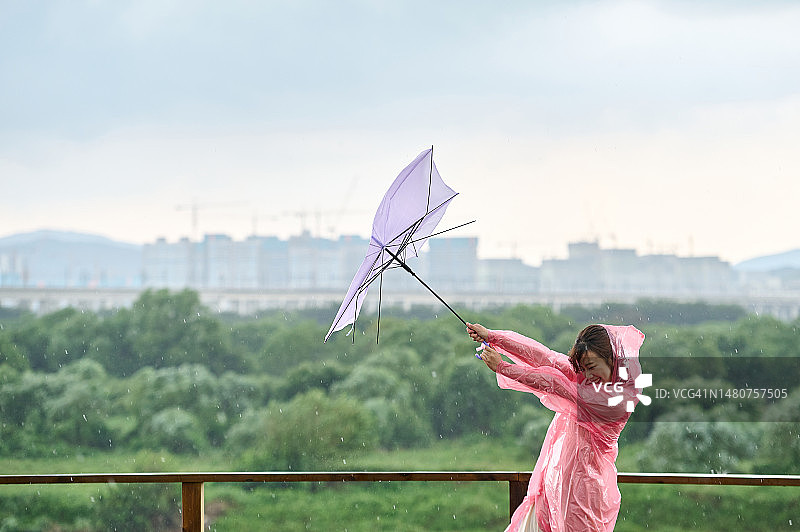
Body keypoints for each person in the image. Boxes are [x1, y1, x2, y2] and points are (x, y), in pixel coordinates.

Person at [467, 322, 645, 532]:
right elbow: (546, 358)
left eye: (592, 367)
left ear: (611, 360)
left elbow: (555, 384)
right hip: (555, 486)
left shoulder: (616, 400)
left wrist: (503, 368)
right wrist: (493, 336)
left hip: (584, 496)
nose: (587, 375)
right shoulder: (594, 381)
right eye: (583, 368)